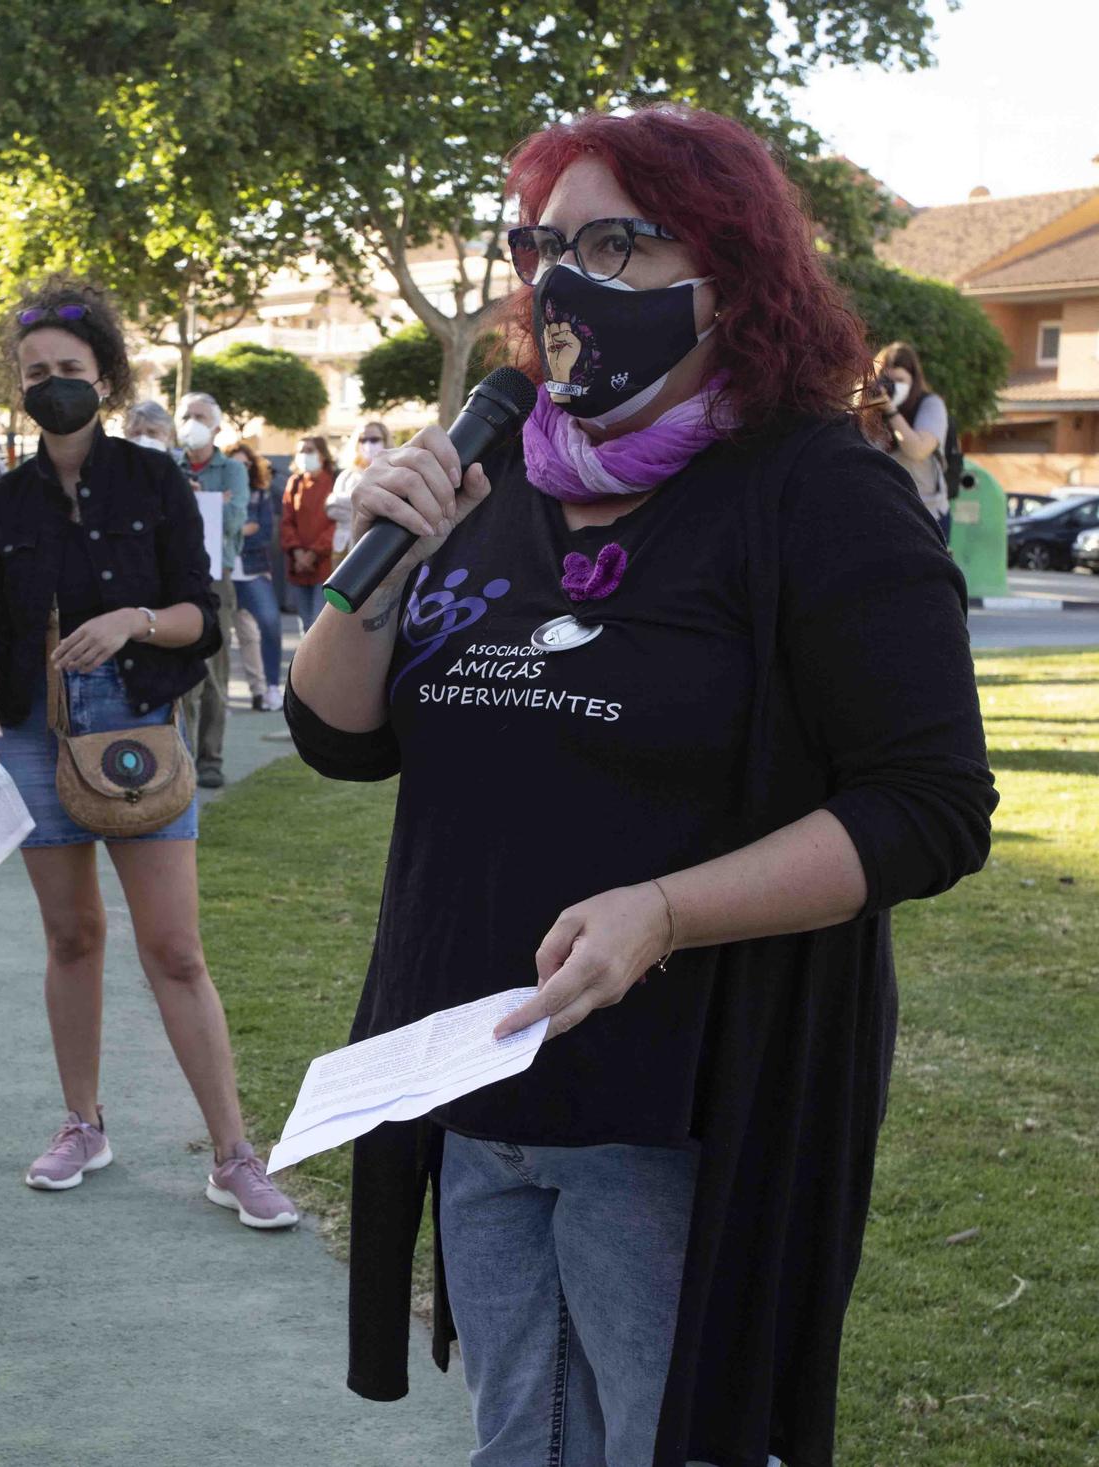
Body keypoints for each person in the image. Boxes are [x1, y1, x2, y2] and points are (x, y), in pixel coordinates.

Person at [285, 105, 996, 1467]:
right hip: (478, 1084)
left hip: (679, 1109)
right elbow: (341, 735)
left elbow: (930, 803)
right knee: (521, 1441)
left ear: (730, 267)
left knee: (667, 1441)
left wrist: (665, 909)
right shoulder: (500, 490)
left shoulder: (817, 496)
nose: (566, 283)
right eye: (543, 245)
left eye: (617, 241)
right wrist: (375, 563)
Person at [0, 278, 299, 1229]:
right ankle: (83, 1123)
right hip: (30, 735)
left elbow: (199, 612)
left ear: (103, 375)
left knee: (175, 949)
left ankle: (234, 1155)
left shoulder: (153, 480)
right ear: (16, 386)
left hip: (139, 725)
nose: (52, 384)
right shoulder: (3, 504)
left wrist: (131, 621)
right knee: (71, 937)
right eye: (35, 374)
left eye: (69, 369)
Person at [173, 392, 246, 788]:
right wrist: (203, 503)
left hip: (216, 577)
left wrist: (205, 502)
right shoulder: (168, 464)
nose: (192, 421)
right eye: (186, 415)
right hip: (175, 580)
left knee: (215, 673)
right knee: (180, 674)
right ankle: (179, 755)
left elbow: (234, 521)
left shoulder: (232, 469)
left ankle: (210, 759)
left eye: (200, 416)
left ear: (216, 426)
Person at [870, 341, 952, 540]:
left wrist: (890, 410)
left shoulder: (930, 405)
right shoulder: (869, 410)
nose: (891, 387)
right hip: (880, 513)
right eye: (885, 380)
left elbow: (918, 449)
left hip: (926, 513)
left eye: (899, 380)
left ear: (914, 380)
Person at [226, 441, 282, 711]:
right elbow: (210, 529)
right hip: (222, 572)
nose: (241, 468)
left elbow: (262, 534)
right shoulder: (218, 492)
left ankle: (269, 688)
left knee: (269, 624)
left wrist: (231, 531)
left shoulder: (260, 495)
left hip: (253, 570)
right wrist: (241, 529)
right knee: (225, 635)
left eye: (246, 464)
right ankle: (222, 694)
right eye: (235, 463)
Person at [279, 434, 337, 628]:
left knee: (319, 626)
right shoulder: (294, 483)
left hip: (326, 566)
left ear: (323, 455)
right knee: (305, 627)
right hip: (299, 568)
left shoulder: (335, 482)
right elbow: (287, 521)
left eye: (310, 450)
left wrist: (312, 553)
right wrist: (297, 553)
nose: (304, 455)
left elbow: (337, 524)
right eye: (301, 451)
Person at [326, 420, 390, 567]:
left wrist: (352, 504)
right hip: (343, 547)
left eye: (374, 439)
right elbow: (332, 508)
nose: (368, 444)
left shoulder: (390, 473)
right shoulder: (346, 475)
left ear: (385, 441)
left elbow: (383, 509)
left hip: (375, 548)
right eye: (363, 439)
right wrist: (365, 504)